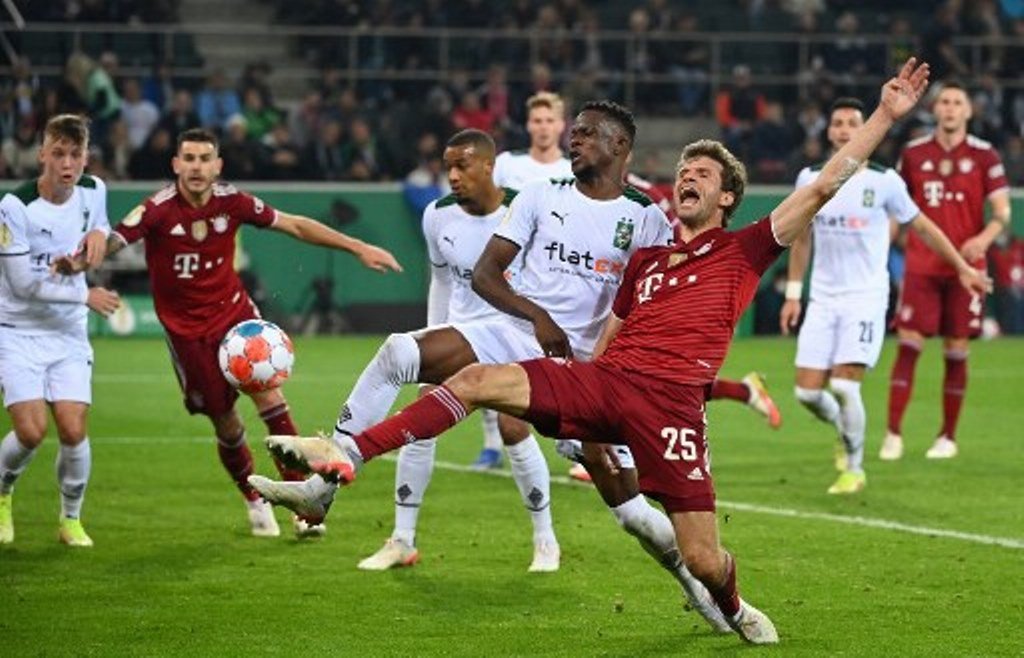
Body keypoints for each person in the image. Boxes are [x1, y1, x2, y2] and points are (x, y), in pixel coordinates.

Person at [252, 59, 932, 645]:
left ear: (727, 197)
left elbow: (823, 184)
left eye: (704, 173)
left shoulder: (744, 249)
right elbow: (614, 328)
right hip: (607, 382)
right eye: (686, 169)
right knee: (480, 379)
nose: (689, 177)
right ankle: (343, 460)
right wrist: (581, 372)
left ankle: (730, 603)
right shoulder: (650, 259)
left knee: (702, 556)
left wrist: (884, 114)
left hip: (669, 411)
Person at [253, 101, 734, 632]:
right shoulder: (536, 196)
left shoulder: (645, 218)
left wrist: (611, 364)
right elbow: (486, 276)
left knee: (631, 512)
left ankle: (699, 588)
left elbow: (650, 306)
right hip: (511, 333)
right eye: (573, 133)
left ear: (620, 147)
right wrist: (537, 316)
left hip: (589, 371)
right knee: (398, 352)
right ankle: (324, 487)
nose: (574, 141)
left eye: (588, 134)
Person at [57, 128, 402, 538]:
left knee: (272, 398)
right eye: (189, 158)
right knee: (227, 425)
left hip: (234, 319)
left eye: (205, 158)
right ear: (176, 165)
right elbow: (116, 239)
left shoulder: (232, 202)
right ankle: (254, 500)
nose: (197, 166)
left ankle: (302, 504)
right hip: (188, 335)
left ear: (218, 165)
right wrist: (79, 263)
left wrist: (357, 247)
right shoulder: (157, 209)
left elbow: (293, 225)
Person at [357, 128, 563, 572]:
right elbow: (443, 281)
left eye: (461, 166)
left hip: (512, 334)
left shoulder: (524, 210)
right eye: (446, 166)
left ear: (489, 166)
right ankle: (401, 540)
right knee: (420, 422)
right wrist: (434, 336)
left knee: (513, 427)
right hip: (462, 333)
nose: (451, 175)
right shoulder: (436, 215)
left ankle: (545, 540)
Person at [780, 97, 991, 494]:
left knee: (844, 387)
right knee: (807, 392)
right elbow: (801, 239)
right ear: (828, 131)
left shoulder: (885, 182)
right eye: (838, 122)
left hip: (865, 299)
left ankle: (854, 468)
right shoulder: (810, 179)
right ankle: (846, 429)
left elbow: (924, 228)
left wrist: (963, 268)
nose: (844, 129)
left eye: (852, 123)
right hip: (823, 299)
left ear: (865, 130)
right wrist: (794, 293)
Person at [0, 114, 121, 547]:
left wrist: (95, 244)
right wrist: (83, 295)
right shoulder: (14, 207)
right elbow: (21, 285)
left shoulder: (94, 190)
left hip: (67, 334)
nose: (67, 164)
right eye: (59, 154)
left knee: (73, 430)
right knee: (32, 432)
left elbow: (100, 229)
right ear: (42, 155)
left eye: (76, 154)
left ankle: (70, 520)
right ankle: (2, 493)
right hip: (17, 330)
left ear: (86, 157)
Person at [882, 81, 1012, 460]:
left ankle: (947, 437)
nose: (951, 108)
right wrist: (884, 246)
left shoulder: (986, 156)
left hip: (967, 268)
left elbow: (1002, 212)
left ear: (969, 111)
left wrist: (983, 240)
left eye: (958, 102)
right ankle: (893, 433)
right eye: (945, 102)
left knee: (956, 348)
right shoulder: (913, 153)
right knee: (909, 344)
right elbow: (895, 209)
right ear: (935, 110)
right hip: (922, 263)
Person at [627, 169, 782, 430]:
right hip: (621, 282)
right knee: (648, 375)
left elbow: (676, 234)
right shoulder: (578, 184)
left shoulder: (642, 193)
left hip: (661, 283)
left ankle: (605, 449)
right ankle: (744, 392)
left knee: (656, 374)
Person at [472, 90, 572, 470]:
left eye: (550, 120)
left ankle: (573, 435)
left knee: (556, 360)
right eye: (537, 120)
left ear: (561, 125)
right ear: (528, 124)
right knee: (494, 356)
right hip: (503, 276)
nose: (543, 127)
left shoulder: (569, 171)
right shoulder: (506, 165)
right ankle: (492, 442)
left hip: (550, 282)